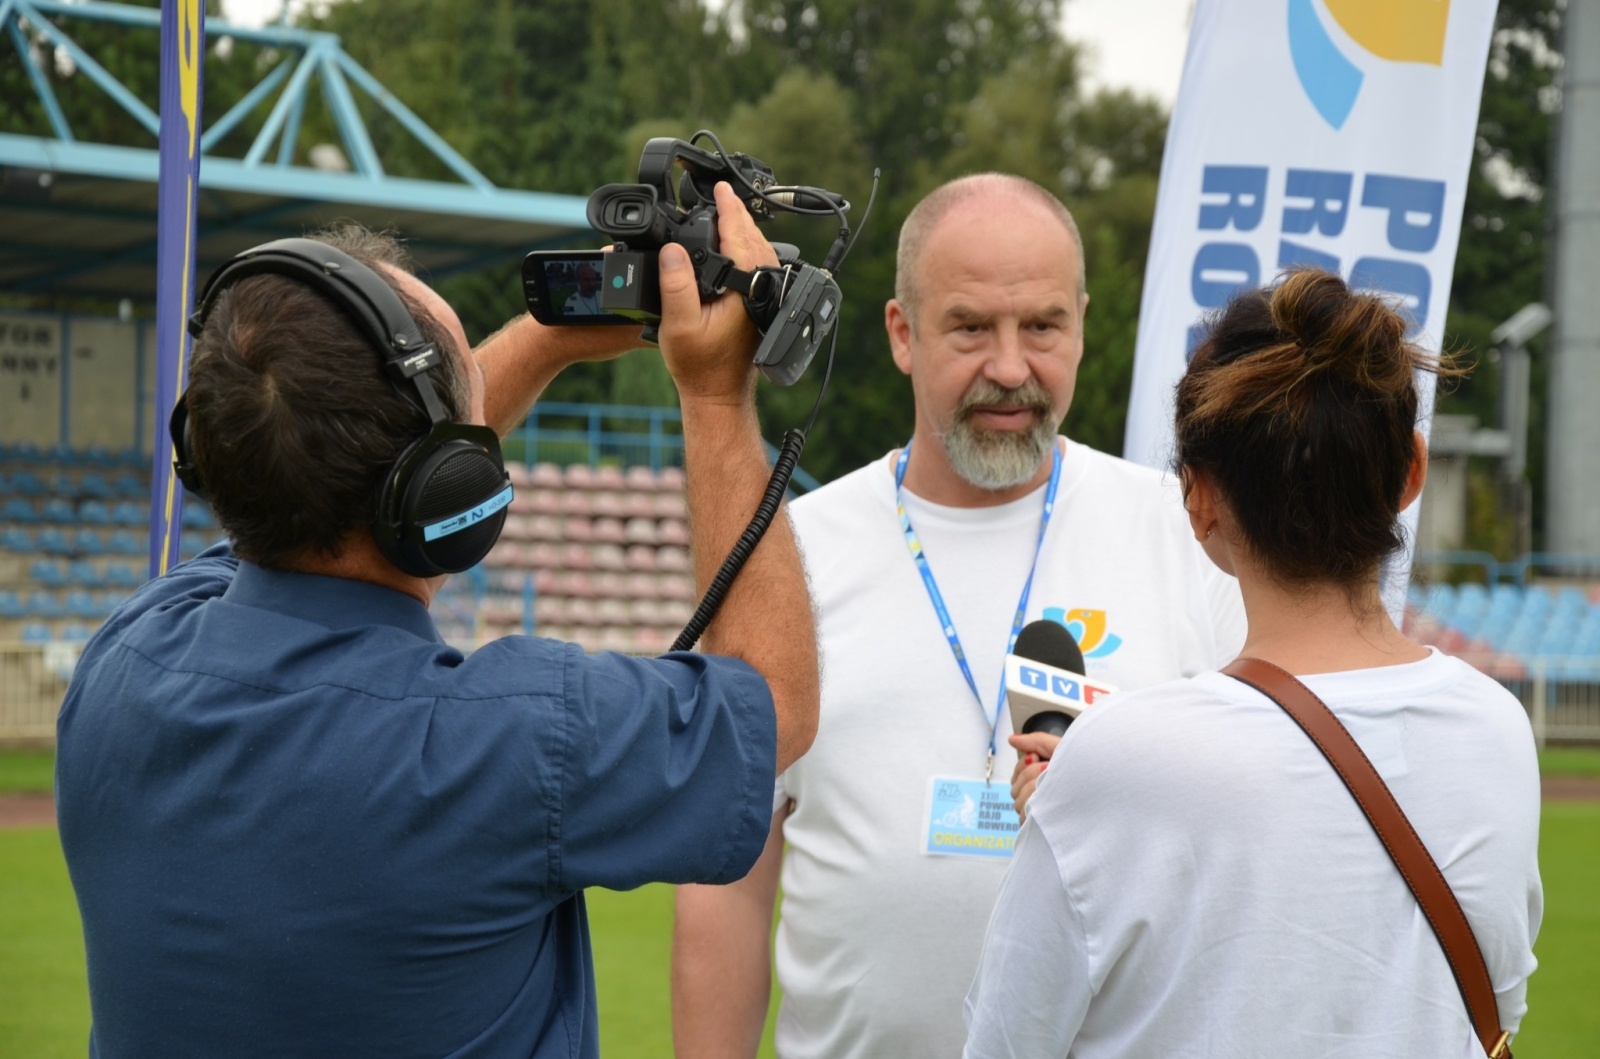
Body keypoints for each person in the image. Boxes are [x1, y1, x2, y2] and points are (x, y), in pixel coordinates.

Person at [55, 184, 819, 1059]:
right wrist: (717, 399)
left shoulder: (123, 661)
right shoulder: (514, 742)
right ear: (445, 484)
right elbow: (775, 698)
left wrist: (544, 336)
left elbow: (335, 472)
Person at [672, 173, 1245, 1059]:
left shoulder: (1189, 536)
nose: (1012, 368)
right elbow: (727, 880)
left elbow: (1254, 851)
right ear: (903, 333)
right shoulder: (788, 555)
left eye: (1043, 327)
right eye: (972, 327)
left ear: (1083, 325)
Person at [963, 269, 1542, 1058]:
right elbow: (1491, 1009)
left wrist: (1078, 803)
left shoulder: (1116, 759)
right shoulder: (1497, 729)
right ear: (1411, 470)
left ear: (1198, 501)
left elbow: (1007, 1040)